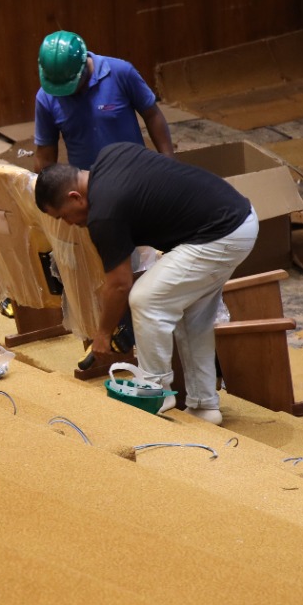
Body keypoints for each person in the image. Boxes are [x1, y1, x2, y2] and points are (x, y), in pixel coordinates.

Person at [36, 142, 257, 424]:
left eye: (62, 215)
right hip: (237, 217)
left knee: (145, 299)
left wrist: (102, 334)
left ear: (75, 196)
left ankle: (155, 391)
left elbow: (119, 284)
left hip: (220, 233)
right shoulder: (112, 154)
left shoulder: (104, 213)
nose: (67, 223)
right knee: (193, 317)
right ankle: (204, 406)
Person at [33, 30, 173, 172]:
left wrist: (169, 162)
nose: (65, 93)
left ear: (83, 66)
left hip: (134, 173)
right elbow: (45, 154)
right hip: (88, 180)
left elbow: (152, 115)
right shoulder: (45, 97)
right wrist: (38, 183)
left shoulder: (121, 72)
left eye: (69, 86)